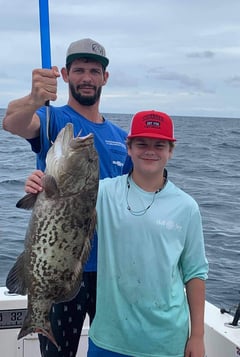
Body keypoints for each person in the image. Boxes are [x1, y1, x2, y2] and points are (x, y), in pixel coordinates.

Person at [25, 110, 209, 357]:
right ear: (129, 148)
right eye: (141, 143)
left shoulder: (187, 207)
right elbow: (68, 206)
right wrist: (41, 184)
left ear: (171, 151)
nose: (150, 151)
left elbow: (195, 272)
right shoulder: (104, 193)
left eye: (159, 145)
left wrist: (197, 335)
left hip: (166, 341)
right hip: (109, 339)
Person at [3, 38, 132, 357]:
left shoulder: (121, 138)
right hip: (58, 265)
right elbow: (13, 122)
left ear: (105, 77)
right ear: (64, 74)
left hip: (111, 269)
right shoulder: (52, 120)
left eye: (94, 71)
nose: (86, 77)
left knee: (111, 350)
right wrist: (34, 99)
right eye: (78, 70)